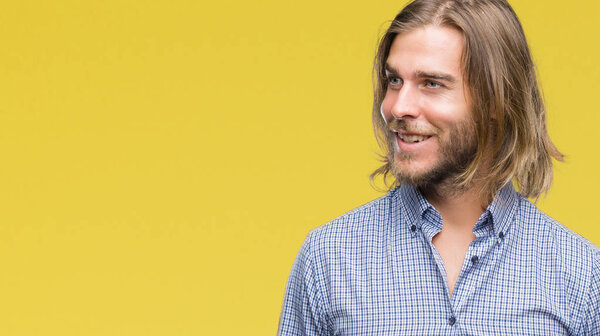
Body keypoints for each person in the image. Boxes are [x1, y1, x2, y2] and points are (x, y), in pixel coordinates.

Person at [277, 0, 600, 334]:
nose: (398, 107)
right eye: (394, 80)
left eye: (431, 83)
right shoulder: (328, 258)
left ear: (497, 100)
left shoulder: (582, 275)